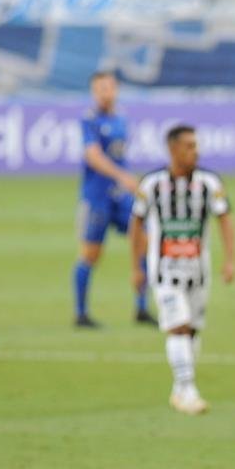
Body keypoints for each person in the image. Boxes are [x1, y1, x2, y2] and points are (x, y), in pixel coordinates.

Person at [129, 125, 235, 415]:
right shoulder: (151, 184)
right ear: (173, 149)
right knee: (177, 326)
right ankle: (188, 388)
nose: (195, 151)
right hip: (164, 271)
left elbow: (225, 218)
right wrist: (135, 267)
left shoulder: (210, 183)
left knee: (191, 329)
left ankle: (179, 390)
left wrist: (230, 260)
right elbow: (136, 224)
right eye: (189, 146)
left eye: (196, 145)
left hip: (199, 271)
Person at [72, 70, 152, 328]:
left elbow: (119, 156)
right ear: (94, 93)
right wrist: (123, 176)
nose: (105, 93)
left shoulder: (121, 119)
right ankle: (81, 313)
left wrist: (128, 181)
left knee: (144, 240)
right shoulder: (90, 121)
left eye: (109, 88)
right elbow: (93, 157)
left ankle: (141, 307)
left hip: (121, 196)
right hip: (96, 197)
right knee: (91, 255)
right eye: (100, 89)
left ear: (116, 89)